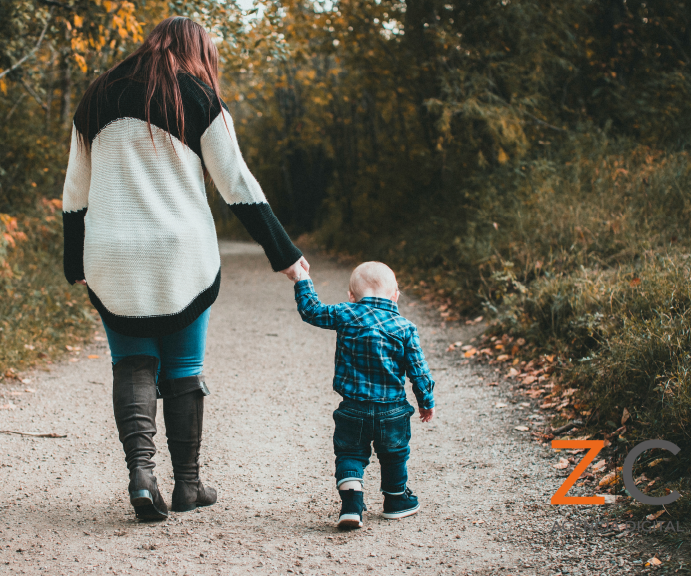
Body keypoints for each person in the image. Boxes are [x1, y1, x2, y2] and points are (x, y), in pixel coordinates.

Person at [61, 16, 309, 521]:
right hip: (182, 255)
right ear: (196, 51)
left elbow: (74, 191)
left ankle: (141, 476)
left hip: (111, 251)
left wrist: (74, 260)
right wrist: (283, 253)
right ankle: (188, 485)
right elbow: (236, 182)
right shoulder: (196, 96)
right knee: (183, 367)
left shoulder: (97, 95)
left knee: (131, 362)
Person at [290, 261, 435, 529]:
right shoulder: (404, 328)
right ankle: (395, 500)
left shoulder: (345, 313)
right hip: (392, 411)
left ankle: (351, 505)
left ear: (351, 296)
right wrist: (426, 401)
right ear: (396, 295)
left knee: (350, 454)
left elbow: (311, 310)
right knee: (394, 454)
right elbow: (419, 371)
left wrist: (302, 279)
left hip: (352, 408)